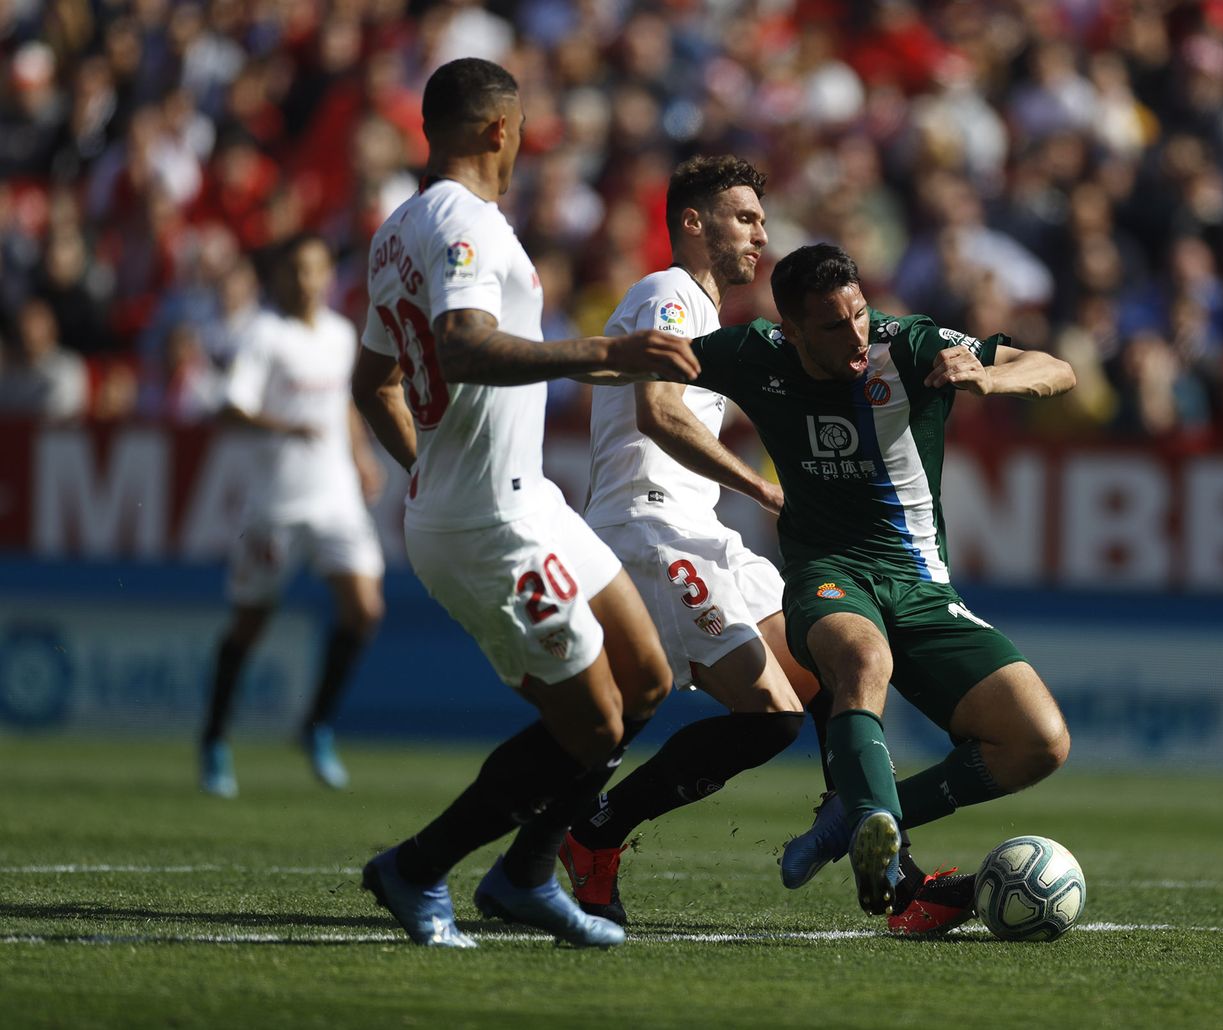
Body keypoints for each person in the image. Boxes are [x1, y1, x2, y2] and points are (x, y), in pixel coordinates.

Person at [349, 57, 698, 949]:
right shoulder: (463, 221)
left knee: (648, 677)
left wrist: (423, 467)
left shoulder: (399, 229)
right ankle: (417, 867)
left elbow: (372, 381)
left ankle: (526, 874)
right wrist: (609, 354)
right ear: (500, 129)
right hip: (488, 520)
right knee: (593, 725)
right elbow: (464, 346)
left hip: (521, 496)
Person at [687, 243, 1076, 932]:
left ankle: (861, 813)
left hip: (924, 585)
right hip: (828, 573)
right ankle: (879, 838)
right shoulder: (754, 354)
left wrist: (992, 379)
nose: (857, 334)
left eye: (861, 314)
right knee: (863, 662)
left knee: (1039, 742)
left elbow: (1055, 369)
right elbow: (645, 358)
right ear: (794, 332)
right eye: (834, 326)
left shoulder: (913, 343)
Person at [546, 155, 831, 927]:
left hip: (699, 531)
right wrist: (766, 488)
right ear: (693, 222)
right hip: (649, 526)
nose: (760, 236)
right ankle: (593, 833)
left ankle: (877, 850)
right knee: (773, 717)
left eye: (764, 222)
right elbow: (657, 412)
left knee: (830, 656)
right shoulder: (668, 293)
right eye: (745, 218)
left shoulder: (713, 323)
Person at [199, 233, 386, 798]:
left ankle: (316, 724)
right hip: (277, 504)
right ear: (280, 277)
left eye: (314, 268)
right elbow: (231, 410)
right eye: (295, 270)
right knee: (250, 624)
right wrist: (289, 427)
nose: (305, 280)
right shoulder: (263, 335)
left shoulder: (339, 333)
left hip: (335, 500)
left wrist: (360, 455)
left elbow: (344, 403)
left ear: (328, 273)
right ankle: (214, 737)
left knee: (365, 610)